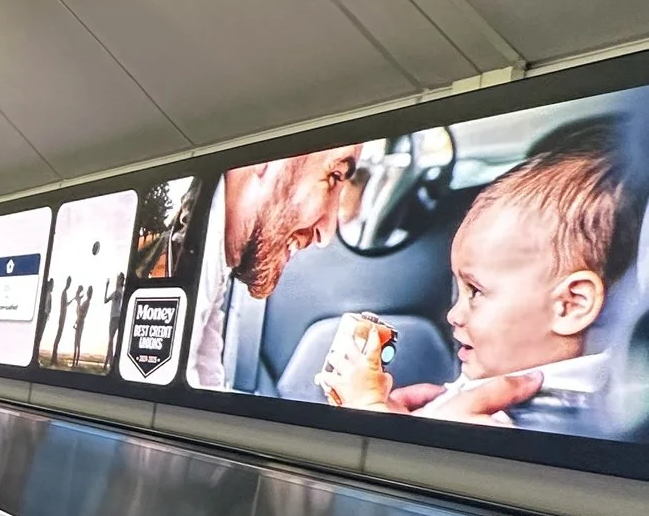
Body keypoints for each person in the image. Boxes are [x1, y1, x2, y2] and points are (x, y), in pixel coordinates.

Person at [317, 142, 631, 425]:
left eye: (476, 291)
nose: (453, 315)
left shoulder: (529, 423)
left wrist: (369, 410)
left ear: (571, 305)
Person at [188, 143, 364, 391]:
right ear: (264, 156)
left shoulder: (213, 254)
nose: (326, 233)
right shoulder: (180, 254)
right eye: (334, 176)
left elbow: (203, 386)